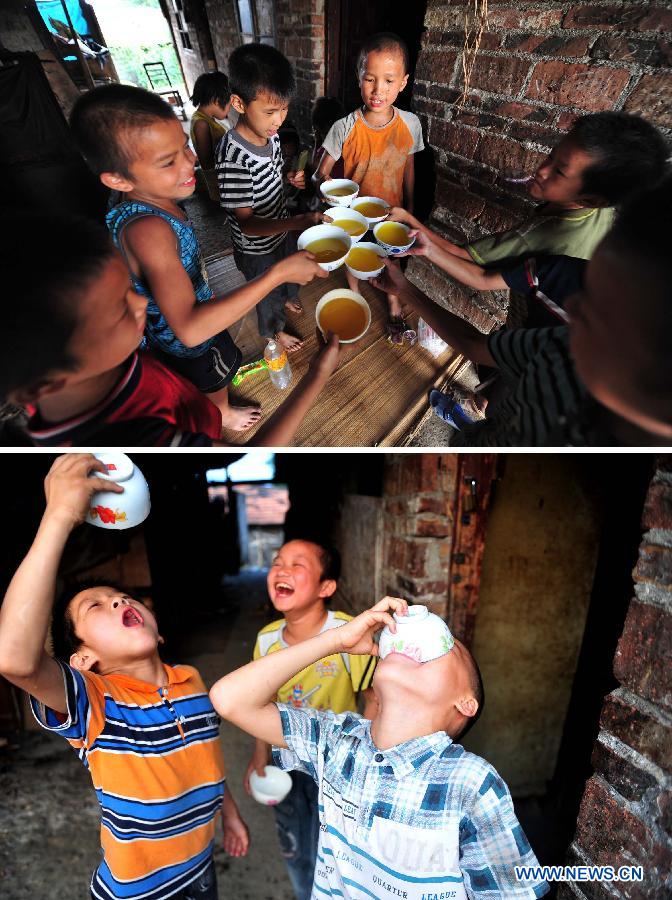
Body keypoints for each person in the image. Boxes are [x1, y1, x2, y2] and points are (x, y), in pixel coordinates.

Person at [0, 454, 250, 900]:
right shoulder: (95, 705)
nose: (117, 602)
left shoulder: (191, 680)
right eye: (94, 607)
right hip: (138, 894)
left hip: (201, 872)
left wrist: (228, 814)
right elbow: (15, 660)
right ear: (83, 660)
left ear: (159, 630)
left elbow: (205, 760)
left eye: (121, 596)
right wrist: (58, 516)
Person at [211, 596, 549, 899]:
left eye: (450, 648)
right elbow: (229, 700)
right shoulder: (336, 739)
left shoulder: (470, 783)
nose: (418, 640)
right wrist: (336, 640)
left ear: (465, 703)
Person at [69, 84, 326, 433]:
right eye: (167, 161)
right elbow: (190, 330)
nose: (190, 160)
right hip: (185, 341)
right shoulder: (147, 230)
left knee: (216, 360)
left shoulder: (153, 201)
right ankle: (221, 413)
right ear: (118, 179)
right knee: (212, 370)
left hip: (184, 308)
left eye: (184, 147)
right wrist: (277, 274)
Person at [371, 173, 672, 446]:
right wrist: (404, 289)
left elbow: (477, 272)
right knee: (496, 409)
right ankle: (470, 423)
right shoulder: (563, 343)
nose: (574, 304)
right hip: (504, 417)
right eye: (591, 280)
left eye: (604, 308)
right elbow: (475, 345)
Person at [0, 212, 341, 448]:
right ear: (46, 384)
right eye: (120, 309)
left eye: (130, 289)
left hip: (191, 405)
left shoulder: (87, 361)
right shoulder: (131, 440)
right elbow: (259, 455)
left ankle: (217, 413)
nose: (141, 305)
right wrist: (318, 374)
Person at [244, 540, 377, 899]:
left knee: (333, 845)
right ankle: (305, 892)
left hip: (336, 765)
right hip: (284, 761)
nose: (282, 570)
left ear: (326, 587)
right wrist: (260, 756)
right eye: (277, 562)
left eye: (297, 565)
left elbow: (373, 699)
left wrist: (369, 760)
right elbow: (262, 703)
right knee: (293, 837)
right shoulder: (267, 639)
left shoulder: (348, 634)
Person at [390, 111, 668, 271]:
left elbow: (465, 257)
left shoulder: (537, 236)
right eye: (551, 156)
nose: (542, 170)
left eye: (559, 171)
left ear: (592, 198)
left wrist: (409, 219)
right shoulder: (605, 209)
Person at [217, 43, 323, 353]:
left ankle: (288, 295)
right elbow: (247, 224)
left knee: (288, 273)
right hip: (256, 247)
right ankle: (273, 331)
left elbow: (273, 174)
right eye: (269, 111)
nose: (278, 120)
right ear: (238, 103)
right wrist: (298, 220)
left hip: (280, 228)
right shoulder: (233, 155)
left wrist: (289, 177)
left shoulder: (271, 135)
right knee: (266, 292)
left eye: (284, 109)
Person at [315, 33, 424, 317]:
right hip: (354, 216)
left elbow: (409, 168)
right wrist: (324, 185)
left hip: (392, 211)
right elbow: (320, 173)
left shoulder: (410, 124)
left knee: (391, 260)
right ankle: (355, 297)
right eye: (370, 79)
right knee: (355, 258)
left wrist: (410, 208)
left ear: (403, 82)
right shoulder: (344, 127)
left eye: (389, 81)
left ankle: (393, 306)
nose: (378, 90)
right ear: (358, 76)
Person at [190, 71, 232, 202]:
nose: (229, 110)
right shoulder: (201, 124)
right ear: (216, 100)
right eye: (229, 104)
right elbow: (207, 164)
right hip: (220, 184)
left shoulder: (206, 119)